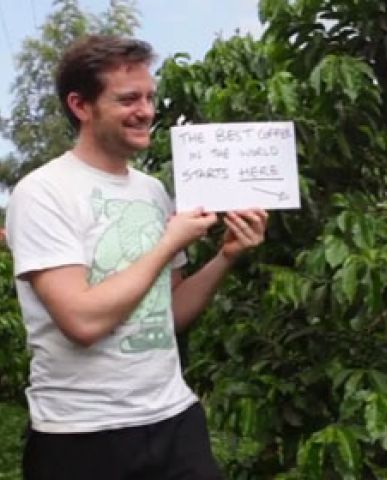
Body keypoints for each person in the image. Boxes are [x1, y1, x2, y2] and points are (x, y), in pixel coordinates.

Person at [5, 35, 268, 480]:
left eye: (149, 96)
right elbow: (82, 322)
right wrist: (167, 243)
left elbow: (169, 311)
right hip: (82, 435)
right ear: (81, 106)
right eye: (128, 99)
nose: (146, 110)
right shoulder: (42, 192)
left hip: (173, 419)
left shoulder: (151, 191)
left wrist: (225, 257)